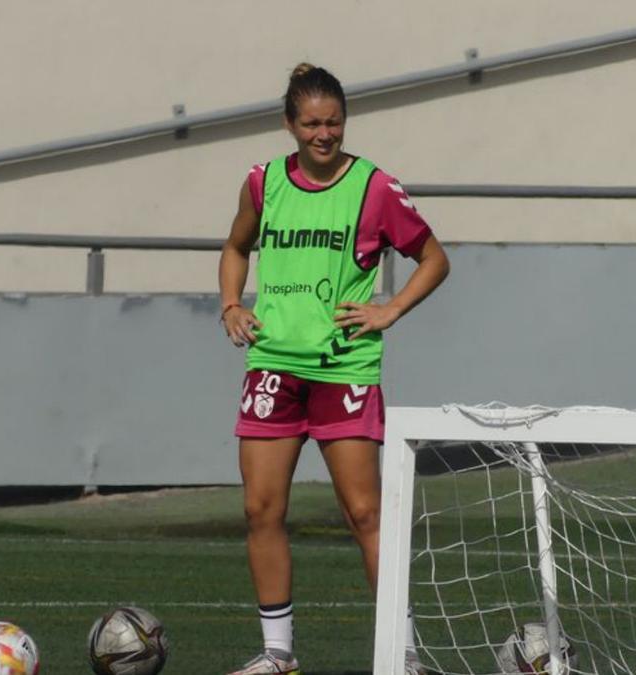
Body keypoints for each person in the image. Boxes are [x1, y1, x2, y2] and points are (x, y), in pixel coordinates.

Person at [217, 63, 450, 675]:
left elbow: (433, 257)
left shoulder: (374, 187)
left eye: (334, 122)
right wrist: (232, 304)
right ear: (289, 125)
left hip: (344, 369)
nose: (325, 134)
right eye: (313, 123)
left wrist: (389, 310)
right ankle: (278, 654)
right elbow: (237, 246)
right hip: (272, 366)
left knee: (366, 514)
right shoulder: (263, 183)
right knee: (261, 511)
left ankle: (403, 655)